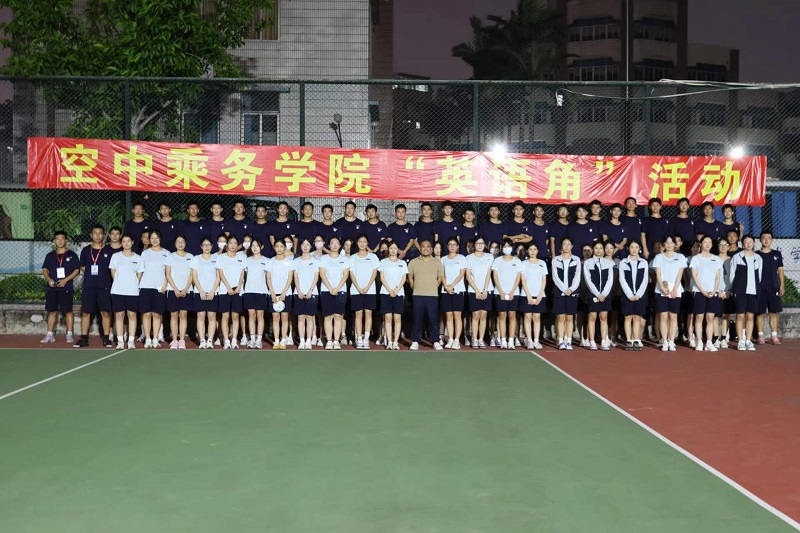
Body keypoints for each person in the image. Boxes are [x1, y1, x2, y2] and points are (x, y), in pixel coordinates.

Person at [74, 224, 114, 348]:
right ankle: (84, 338)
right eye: (95, 233)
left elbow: (113, 268)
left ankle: (106, 338)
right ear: (91, 235)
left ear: (104, 235)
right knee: (86, 312)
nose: (98, 235)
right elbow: (82, 266)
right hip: (89, 286)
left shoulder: (109, 250)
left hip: (104, 286)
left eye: (100, 233)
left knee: (105, 313)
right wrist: (91, 273)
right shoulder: (86, 250)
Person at [40, 231, 80, 344]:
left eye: (62, 238)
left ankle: (69, 334)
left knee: (68, 311)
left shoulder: (72, 255)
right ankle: (50, 334)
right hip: (52, 288)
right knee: (52, 311)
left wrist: (65, 280)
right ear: (54, 241)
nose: (60, 241)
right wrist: (49, 280)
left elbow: (76, 270)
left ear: (66, 240)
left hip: (66, 287)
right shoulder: (50, 256)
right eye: (57, 239)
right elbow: (45, 269)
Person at [407, 240, 444, 351]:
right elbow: (410, 277)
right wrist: (415, 287)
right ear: (420, 248)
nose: (426, 248)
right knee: (417, 319)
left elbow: (440, 278)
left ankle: (435, 341)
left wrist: (433, 287)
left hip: (432, 295)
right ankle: (415, 341)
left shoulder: (437, 262)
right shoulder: (413, 262)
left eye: (428, 246)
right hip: (417, 295)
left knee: (433, 319)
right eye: (423, 246)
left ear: (431, 249)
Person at [652, 235, 687, 352]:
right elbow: (658, 274)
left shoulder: (680, 257)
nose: (669, 245)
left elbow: (680, 274)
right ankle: (665, 341)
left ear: (675, 244)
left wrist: (675, 288)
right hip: (661, 290)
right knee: (663, 316)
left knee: (673, 316)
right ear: (663, 244)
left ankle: (671, 341)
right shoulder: (658, 257)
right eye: (667, 243)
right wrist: (662, 287)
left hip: (675, 290)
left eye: (672, 242)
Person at [689, 235, 723, 352]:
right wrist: (702, 290)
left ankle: (709, 342)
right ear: (700, 244)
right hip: (699, 292)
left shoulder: (716, 259)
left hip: (712, 292)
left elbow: (718, 276)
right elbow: (694, 276)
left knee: (710, 318)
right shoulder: (695, 259)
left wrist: (714, 290)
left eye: (709, 242)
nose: (707, 244)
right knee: (699, 317)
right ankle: (699, 342)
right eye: (705, 242)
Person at [109, 234, 142, 350]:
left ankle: (131, 341)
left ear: (132, 242)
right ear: (121, 243)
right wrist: (119, 283)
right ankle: (120, 341)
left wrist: (133, 284)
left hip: (133, 291)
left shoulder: (138, 258)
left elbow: (139, 274)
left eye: (128, 241)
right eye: (124, 241)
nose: (126, 243)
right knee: (119, 315)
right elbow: (113, 271)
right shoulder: (115, 256)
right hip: (118, 291)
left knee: (132, 315)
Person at [730, 235, 762, 351]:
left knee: (750, 316)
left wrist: (757, 289)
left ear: (754, 243)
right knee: (740, 315)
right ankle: (741, 341)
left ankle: (748, 340)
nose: (748, 244)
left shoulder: (758, 258)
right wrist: (733, 288)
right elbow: (732, 274)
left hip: (753, 291)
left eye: (750, 242)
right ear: (742, 243)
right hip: (740, 291)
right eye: (746, 242)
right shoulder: (737, 257)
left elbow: (759, 276)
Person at [139, 229, 170, 348]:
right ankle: (148, 338)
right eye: (152, 238)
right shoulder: (145, 253)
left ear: (160, 239)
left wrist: (165, 285)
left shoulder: (166, 253)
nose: (155, 240)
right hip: (145, 286)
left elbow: (168, 272)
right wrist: (138, 284)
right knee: (146, 314)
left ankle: (155, 338)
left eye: (157, 238)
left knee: (157, 314)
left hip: (159, 288)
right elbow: (141, 270)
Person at [319, 236, 350, 349]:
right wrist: (330, 288)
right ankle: (329, 341)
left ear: (340, 246)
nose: (334, 245)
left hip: (340, 291)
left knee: (338, 316)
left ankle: (336, 341)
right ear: (328, 245)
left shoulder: (344, 259)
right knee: (328, 316)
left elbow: (345, 275)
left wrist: (337, 288)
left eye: (337, 243)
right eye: (332, 243)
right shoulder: (323, 258)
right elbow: (322, 274)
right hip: (326, 290)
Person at [349, 235, 380, 349]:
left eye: (364, 242)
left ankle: (366, 338)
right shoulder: (352, 258)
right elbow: (351, 274)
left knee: (368, 314)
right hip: (356, 290)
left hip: (370, 290)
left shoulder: (373, 257)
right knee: (358, 315)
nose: (362, 244)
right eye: (360, 242)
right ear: (357, 243)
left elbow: (374, 273)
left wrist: (367, 287)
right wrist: (358, 287)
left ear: (367, 243)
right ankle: (358, 338)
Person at [583, 240, 615, 351]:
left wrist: (604, 293)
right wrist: (597, 293)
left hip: (605, 295)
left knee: (604, 317)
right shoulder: (588, 263)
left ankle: (604, 341)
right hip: (593, 294)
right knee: (592, 316)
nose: (599, 250)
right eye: (596, 248)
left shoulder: (608, 263)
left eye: (601, 248)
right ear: (593, 250)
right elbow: (588, 280)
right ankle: (591, 341)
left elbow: (610, 279)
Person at [492, 237, 522, 350]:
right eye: (505, 246)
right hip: (500, 293)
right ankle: (503, 340)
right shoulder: (497, 261)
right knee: (502, 316)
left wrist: (512, 291)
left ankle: (511, 340)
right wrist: (501, 292)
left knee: (512, 316)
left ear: (512, 247)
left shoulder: (517, 261)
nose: (507, 248)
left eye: (509, 246)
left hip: (514, 293)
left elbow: (518, 278)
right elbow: (495, 276)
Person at [619, 240, 649, 351]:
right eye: (632, 247)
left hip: (640, 296)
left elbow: (645, 279)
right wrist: (629, 294)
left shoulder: (643, 262)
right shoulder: (623, 262)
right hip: (627, 295)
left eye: (636, 247)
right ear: (628, 248)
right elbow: (622, 279)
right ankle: (629, 340)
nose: (634, 249)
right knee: (628, 317)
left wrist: (639, 294)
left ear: (639, 248)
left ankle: (636, 339)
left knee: (637, 317)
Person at [164, 235, 194, 349]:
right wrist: (176, 289)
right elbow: (168, 274)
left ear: (185, 243)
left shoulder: (190, 257)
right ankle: (174, 340)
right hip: (173, 290)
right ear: (174, 244)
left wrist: (186, 288)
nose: (180, 244)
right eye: (178, 242)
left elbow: (192, 275)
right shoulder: (170, 257)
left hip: (186, 290)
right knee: (174, 315)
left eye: (182, 242)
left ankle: (181, 340)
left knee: (183, 315)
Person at [552, 237, 581, 350]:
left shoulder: (576, 259)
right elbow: (555, 276)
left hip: (572, 293)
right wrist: (564, 289)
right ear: (561, 246)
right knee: (560, 317)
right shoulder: (556, 260)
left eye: (569, 244)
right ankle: (560, 341)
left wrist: (571, 289)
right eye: (564, 244)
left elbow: (577, 276)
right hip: (560, 293)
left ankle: (568, 341)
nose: (567, 246)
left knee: (569, 318)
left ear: (572, 246)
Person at [191, 237, 220, 349]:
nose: (207, 247)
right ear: (201, 246)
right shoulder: (195, 259)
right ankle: (202, 340)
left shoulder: (217, 258)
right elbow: (194, 277)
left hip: (213, 292)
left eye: (209, 245)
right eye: (204, 245)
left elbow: (218, 277)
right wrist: (201, 291)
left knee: (212, 317)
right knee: (201, 316)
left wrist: (212, 291)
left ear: (212, 246)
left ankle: (210, 341)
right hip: (199, 292)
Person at [379, 241, 409, 350]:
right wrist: (389, 290)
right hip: (385, 292)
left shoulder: (402, 263)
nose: (393, 250)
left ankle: (395, 342)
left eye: (395, 248)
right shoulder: (383, 262)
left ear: (398, 250)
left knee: (397, 318)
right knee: (387, 318)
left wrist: (396, 289)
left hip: (398, 293)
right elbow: (382, 277)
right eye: (391, 248)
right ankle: (389, 342)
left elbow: (404, 278)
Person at [755, 231, 784, 345]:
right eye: (764, 238)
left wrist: (781, 285)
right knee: (760, 313)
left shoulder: (777, 254)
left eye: (769, 238)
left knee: (773, 312)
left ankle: (774, 336)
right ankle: (760, 336)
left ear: (772, 240)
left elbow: (780, 270)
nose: (766, 240)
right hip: (760, 288)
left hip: (773, 288)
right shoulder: (756, 254)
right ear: (760, 240)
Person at [267, 237, 295, 349]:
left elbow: (290, 278)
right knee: (275, 317)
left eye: (281, 246)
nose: (279, 249)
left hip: (286, 293)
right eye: (277, 246)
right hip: (274, 293)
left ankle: (283, 340)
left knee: (284, 317)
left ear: (285, 247)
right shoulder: (270, 261)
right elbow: (268, 278)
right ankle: (276, 340)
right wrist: (273, 293)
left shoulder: (290, 262)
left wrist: (284, 292)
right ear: (274, 247)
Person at [241, 238, 269, 349]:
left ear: (261, 247)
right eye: (253, 246)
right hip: (249, 291)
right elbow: (243, 276)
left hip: (261, 291)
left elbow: (268, 278)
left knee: (260, 315)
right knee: (251, 315)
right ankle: (252, 339)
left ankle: (259, 340)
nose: (255, 248)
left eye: (257, 246)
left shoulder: (266, 260)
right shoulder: (247, 260)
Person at [466, 235, 493, 348]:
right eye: (478, 243)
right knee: (475, 315)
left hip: (487, 290)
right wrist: (477, 291)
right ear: (474, 245)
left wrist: (485, 290)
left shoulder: (489, 257)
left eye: (482, 243)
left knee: (483, 315)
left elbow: (488, 274)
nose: (480, 245)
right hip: (473, 290)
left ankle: (481, 339)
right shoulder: (469, 258)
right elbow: (468, 276)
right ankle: (474, 339)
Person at [294, 238, 320, 350]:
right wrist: (299, 291)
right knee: (301, 318)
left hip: (312, 293)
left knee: (310, 317)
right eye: (303, 244)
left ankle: (309, 341)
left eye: (307, 245)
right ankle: (302, 341)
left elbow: (316, 276)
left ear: (311, 246)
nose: (305, 247)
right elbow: (295, 277)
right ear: (300, 246)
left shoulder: (315, 261)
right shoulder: (296, 261)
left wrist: (310, 290)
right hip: (298, 293)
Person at [440, 237, 467, 349]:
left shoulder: (462, 258)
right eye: (450, 244)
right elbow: (441, 274)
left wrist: (452, 285)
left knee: (457, 315)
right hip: (445, 290)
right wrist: (446, 286)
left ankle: (456, 340)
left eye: (454, 244)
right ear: (447, 246)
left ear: (457, 246)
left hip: (458, 290)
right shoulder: (443, 259)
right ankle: (450, 338)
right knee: (448, 315)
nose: (452, 246)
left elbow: (461, 274)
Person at [520, 242, 547, 350]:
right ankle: (529, 340)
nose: (532, 251)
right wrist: (528, 295)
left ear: (538, 251)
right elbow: (523, 280)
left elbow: (544, 281)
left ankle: (536, 340)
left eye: (535, 249)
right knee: (527, 317)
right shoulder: (523, 263)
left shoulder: (542, 263)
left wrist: (540, 295)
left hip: (539, 294)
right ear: (527, 251)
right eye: (530, 249)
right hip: (526, 295)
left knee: (537, 317)